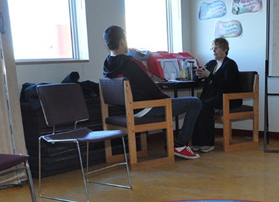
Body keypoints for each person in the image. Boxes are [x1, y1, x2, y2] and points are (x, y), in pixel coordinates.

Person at [102, 25, 201, 160]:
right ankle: (179, 144)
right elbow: (151, 87)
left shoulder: (106, 65)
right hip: (144, 108)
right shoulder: (131, 62)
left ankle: (172, 145)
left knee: (166, 104)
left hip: (127, 109)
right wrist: (165, 99)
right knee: (195, 102)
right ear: (122, 41)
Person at [191, 38, 242, 152]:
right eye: (212, 48)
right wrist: (198, 74)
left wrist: (209, 75)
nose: (214, 51)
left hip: (228, 98)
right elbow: (198, 80)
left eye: (216, 48)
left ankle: (207, 143)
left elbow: (227, 85)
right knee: (196, 104)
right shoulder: (211, 63)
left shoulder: (230, 64)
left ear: (225, 49)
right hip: (212, 97)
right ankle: (197, 142)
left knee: (205, 106)